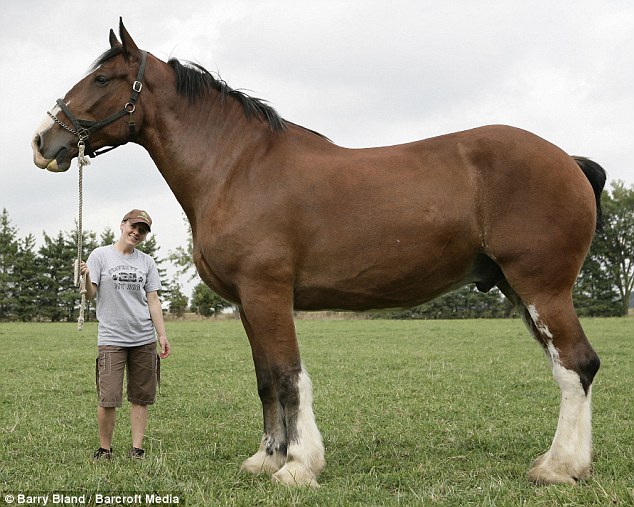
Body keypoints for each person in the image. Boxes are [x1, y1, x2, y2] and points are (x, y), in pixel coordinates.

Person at [80, 209, 171, 460]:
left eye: (142, 230)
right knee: (108, 397)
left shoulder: (146, 262)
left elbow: (153, 300)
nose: (137, 233)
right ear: (122, 225)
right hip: (111, 339)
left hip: (143, 338)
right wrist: (86, 278)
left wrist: (161, 334)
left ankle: (137, 449)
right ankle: (105, 449)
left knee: (140, 397)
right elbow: (90, 294)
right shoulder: (100, 255)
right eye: (133, 226)